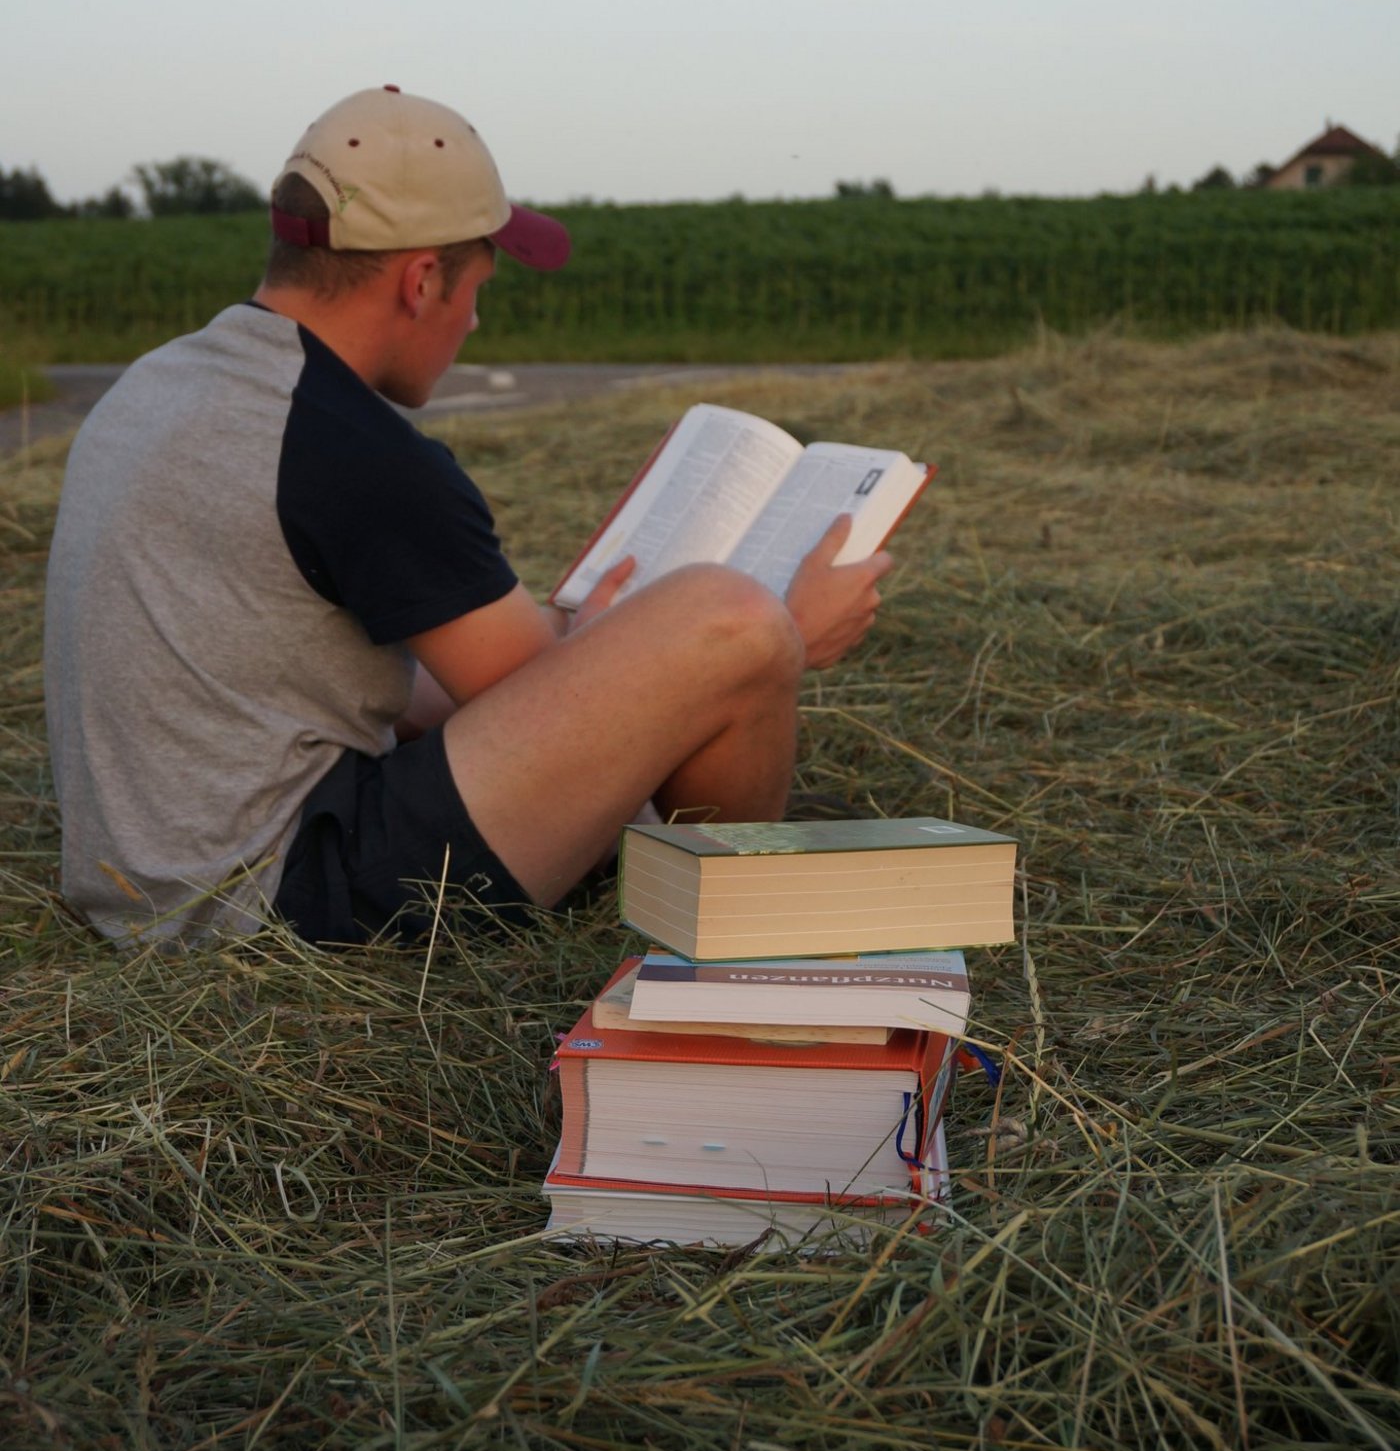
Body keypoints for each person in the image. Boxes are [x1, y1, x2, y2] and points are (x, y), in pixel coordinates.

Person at [43, 84, 891, 946]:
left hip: (153, 877)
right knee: (733, 622)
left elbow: (360, 672)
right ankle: (735, 918)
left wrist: (580, 649)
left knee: (546, 656)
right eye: (478, 284)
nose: (477, 318)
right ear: (420, 280)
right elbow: (539, 701)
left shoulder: (164, 383)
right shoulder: (351, 445)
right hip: (271, 905)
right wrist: (786, 634)